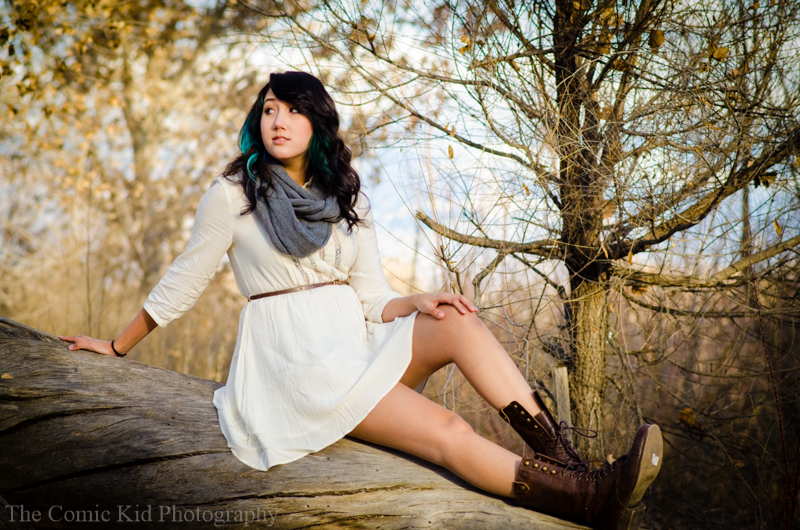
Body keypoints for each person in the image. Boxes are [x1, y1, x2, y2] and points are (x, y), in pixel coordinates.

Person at [59, 71, 662, 530]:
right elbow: (185, 277)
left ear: (318, 123)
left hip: (356, 342)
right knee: (446, 427)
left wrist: (419, 300)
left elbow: (373, 299)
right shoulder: (233, 194)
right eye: (270, 110)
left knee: (457, 322)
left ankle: (575, 472)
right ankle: (586, 500)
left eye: (294, 110)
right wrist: (117, 345)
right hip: (299, 367)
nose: (279, 121)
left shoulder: (346, 198)